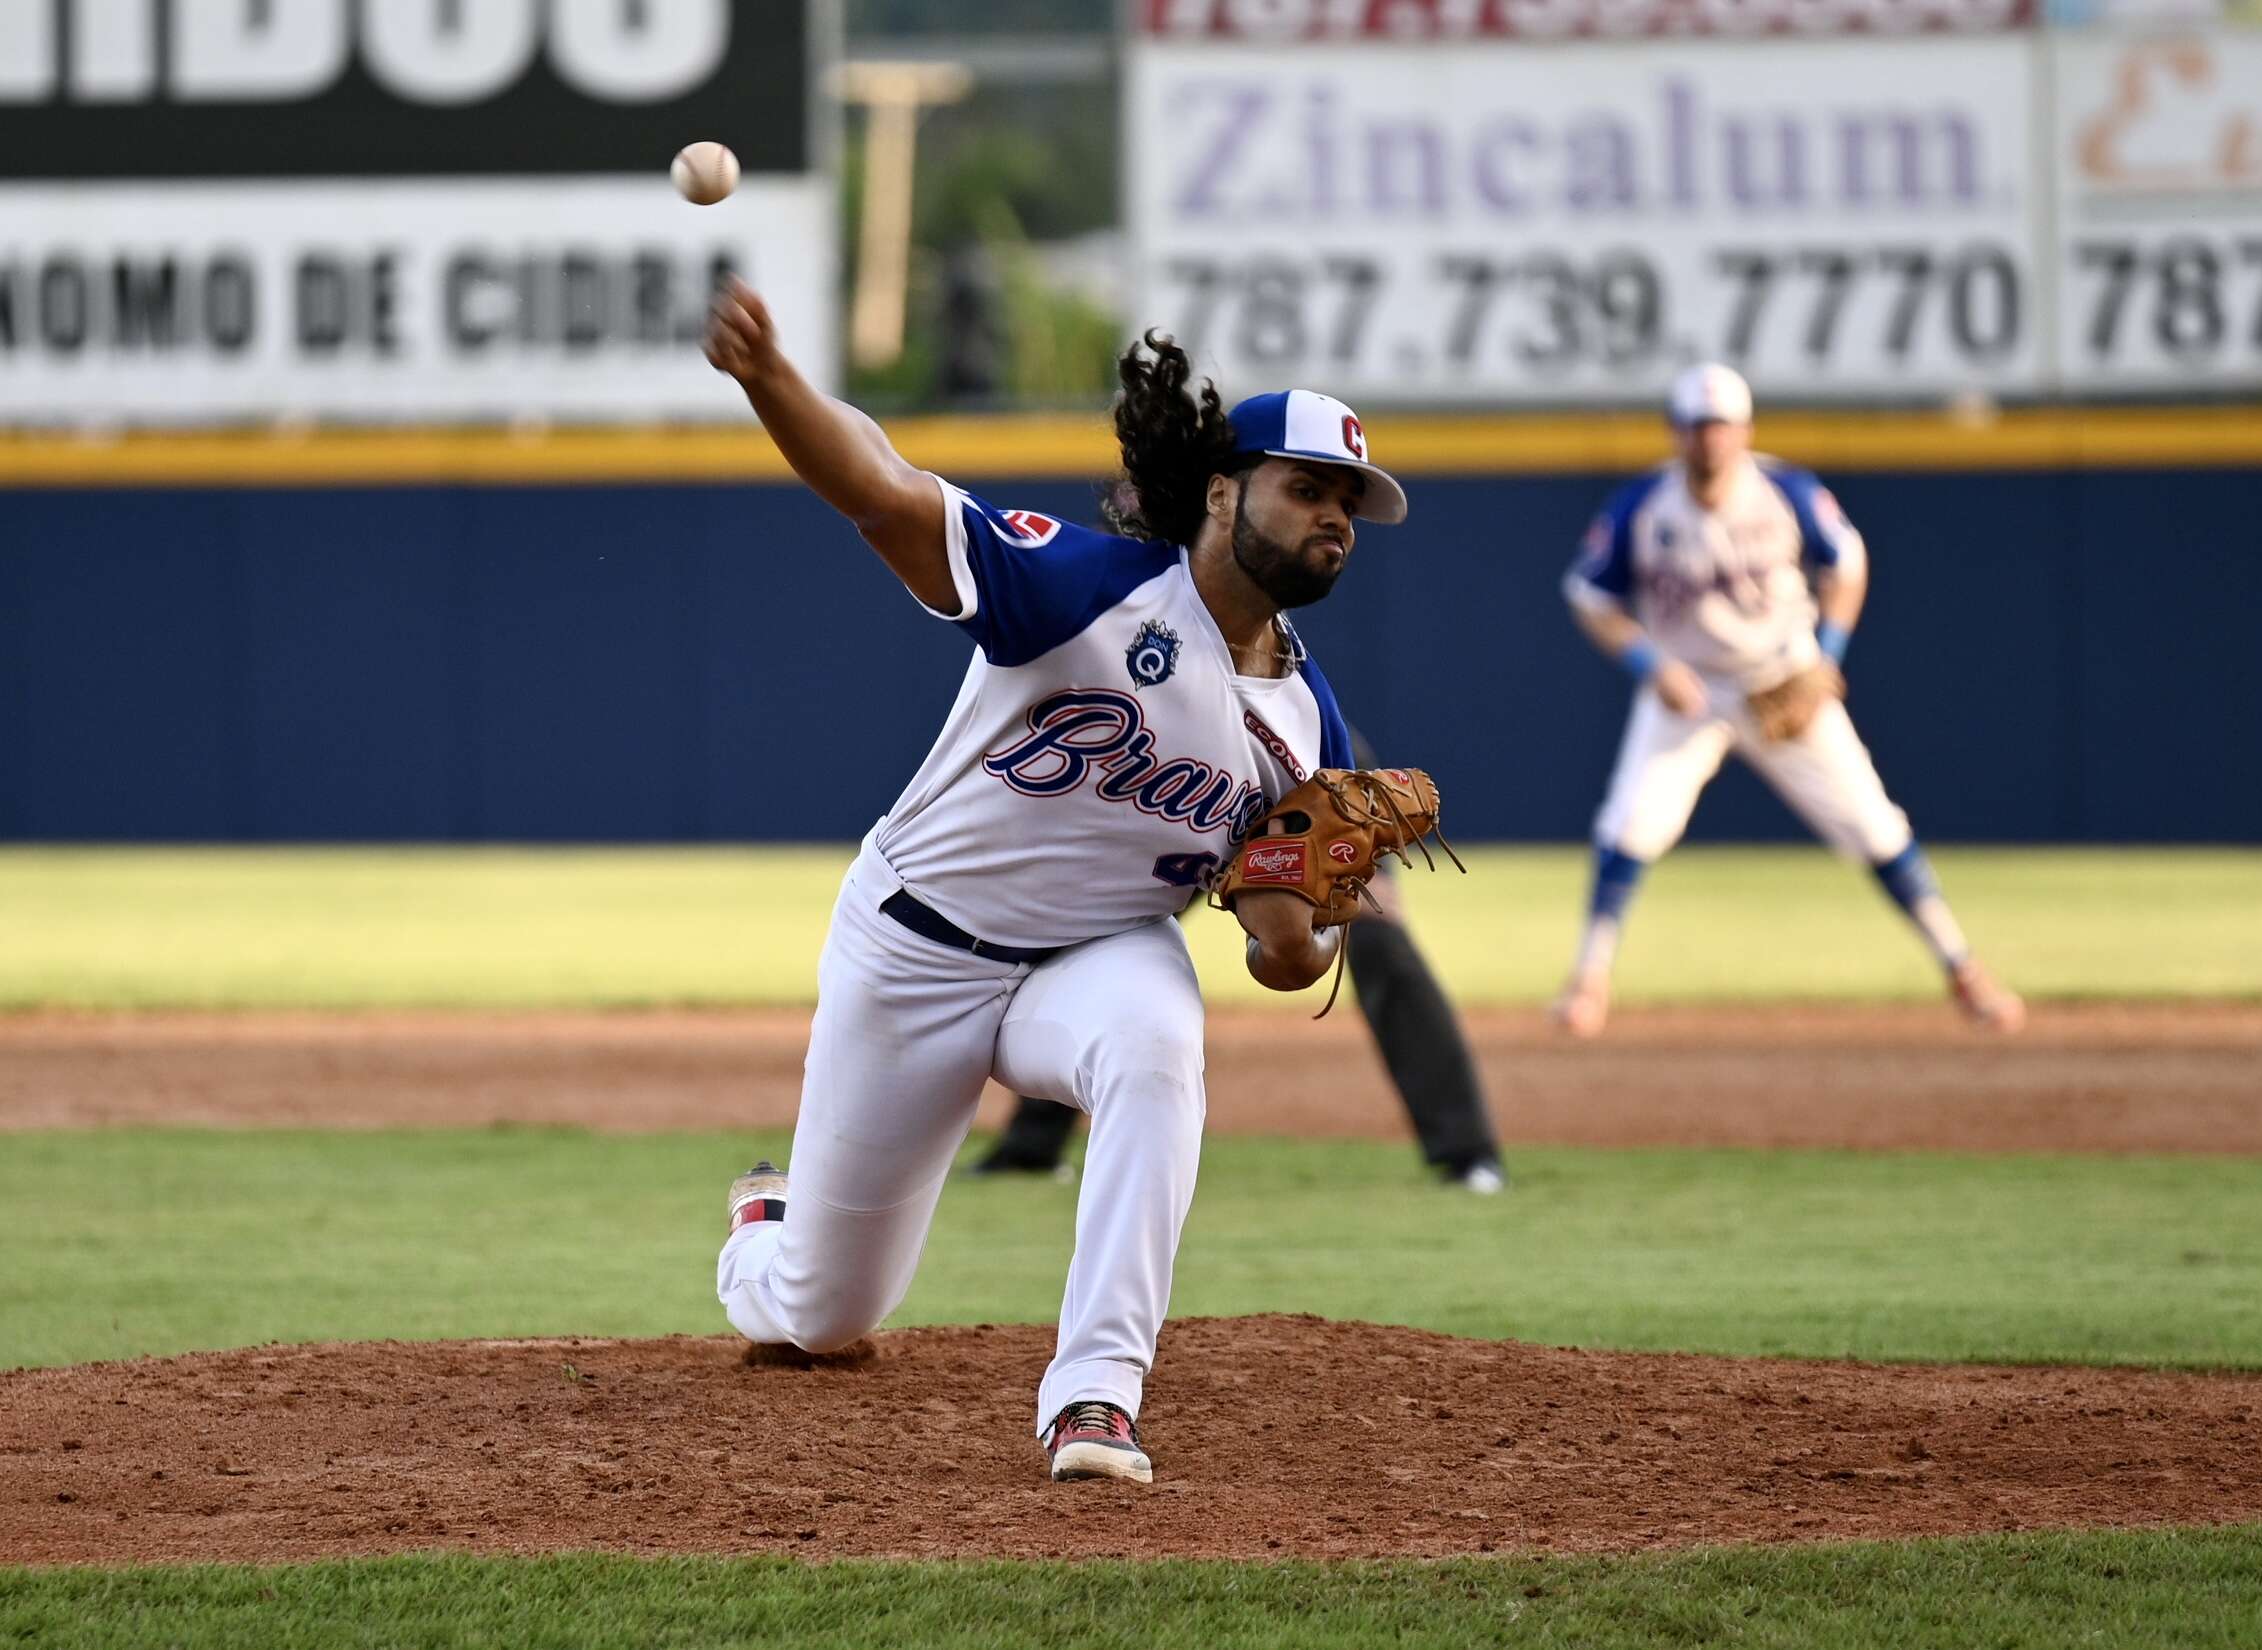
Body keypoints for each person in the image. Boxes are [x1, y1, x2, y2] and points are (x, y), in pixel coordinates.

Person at [703, 275, 1409, 1485]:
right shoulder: (1089, 587)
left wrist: (1304, 941)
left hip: (1097, 954)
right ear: (1223, 491)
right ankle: (767, 1230)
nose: (1332, 517)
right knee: (822, 1315)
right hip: (916, 947)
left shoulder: (1309, 728)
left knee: (1157, 1045)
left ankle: (1096, 1396)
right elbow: (883, 491)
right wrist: (771, 380)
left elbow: (1282, 954)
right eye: (1307, 488)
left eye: (1349, 502)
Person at [1550, 363, 2024, 1037]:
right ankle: (1588, 979)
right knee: (1628, 826)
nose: (1709, 439)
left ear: (1744, 430)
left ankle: (1963, 968)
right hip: (1688, 691)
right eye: (1696, 427)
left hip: (1781, 680)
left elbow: (1847, 566)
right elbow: (1589, 597)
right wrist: (1650, 665)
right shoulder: (1643, 504)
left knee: (1874, 827)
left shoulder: (1785, 491)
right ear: (1675, 432)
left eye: (1720, 426)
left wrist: (1825, 660)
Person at [976, 726, 1505, 1194]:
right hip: (1177, 777)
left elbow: (1305, 702)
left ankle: (1468, 1153)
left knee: (1377, 934)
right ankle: (1031, 1146)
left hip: (1289, 758)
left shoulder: (1296, 693)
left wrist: (1362, 856)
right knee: (1102, 938)